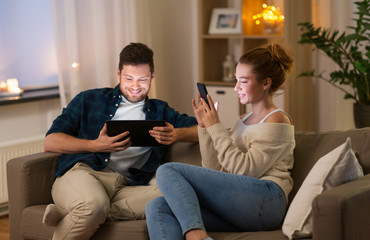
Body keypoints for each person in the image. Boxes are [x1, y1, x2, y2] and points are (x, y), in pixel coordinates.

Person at [42, 42, 198, 240]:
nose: (135, 86)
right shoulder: (88, 100)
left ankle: (72, 213)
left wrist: (177, 134)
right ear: (118, 73)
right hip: (83, 172)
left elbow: (202, 130)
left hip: (127, 185)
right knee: (93, 205)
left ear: (152, 76)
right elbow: (50, 141)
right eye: (129, 78)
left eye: (142, 79)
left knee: (179, 197)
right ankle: (86, 209)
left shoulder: (161, 111)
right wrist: (95, 145)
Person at [145, 43, 295, 240]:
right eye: (236, 80)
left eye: (243, 81)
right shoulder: (242, 120)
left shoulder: (277, 120)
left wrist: (216, 126)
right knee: (158, 206)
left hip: (266, 200)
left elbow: (245, 171)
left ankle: (197, 236)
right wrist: (205, 128)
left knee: (168, 170)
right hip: (240, 202)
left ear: (266, 83)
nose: (236, 88)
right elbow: (214, 169)